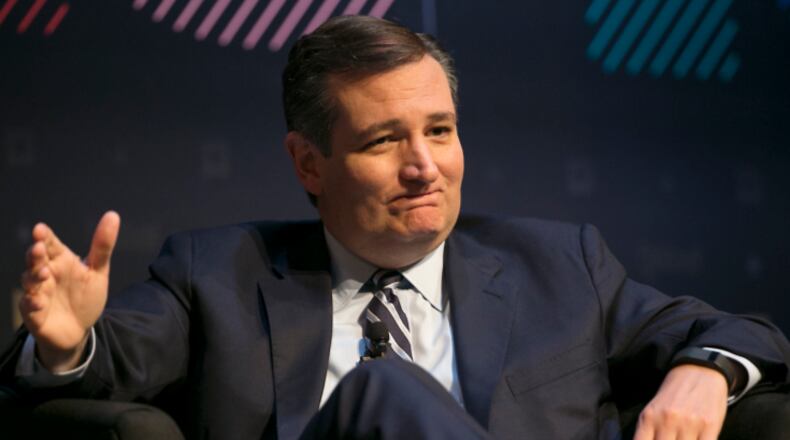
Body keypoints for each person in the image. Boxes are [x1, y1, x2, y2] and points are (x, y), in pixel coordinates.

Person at [2, 15, 789, 440]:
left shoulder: (558, 263)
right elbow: (105, 367)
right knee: (387, 390)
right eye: (386, 141)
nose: (426, 167)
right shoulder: (217, 273)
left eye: (440, 132)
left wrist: (705, 372)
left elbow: (743, 333)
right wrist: (68, 343)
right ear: (310, 165)